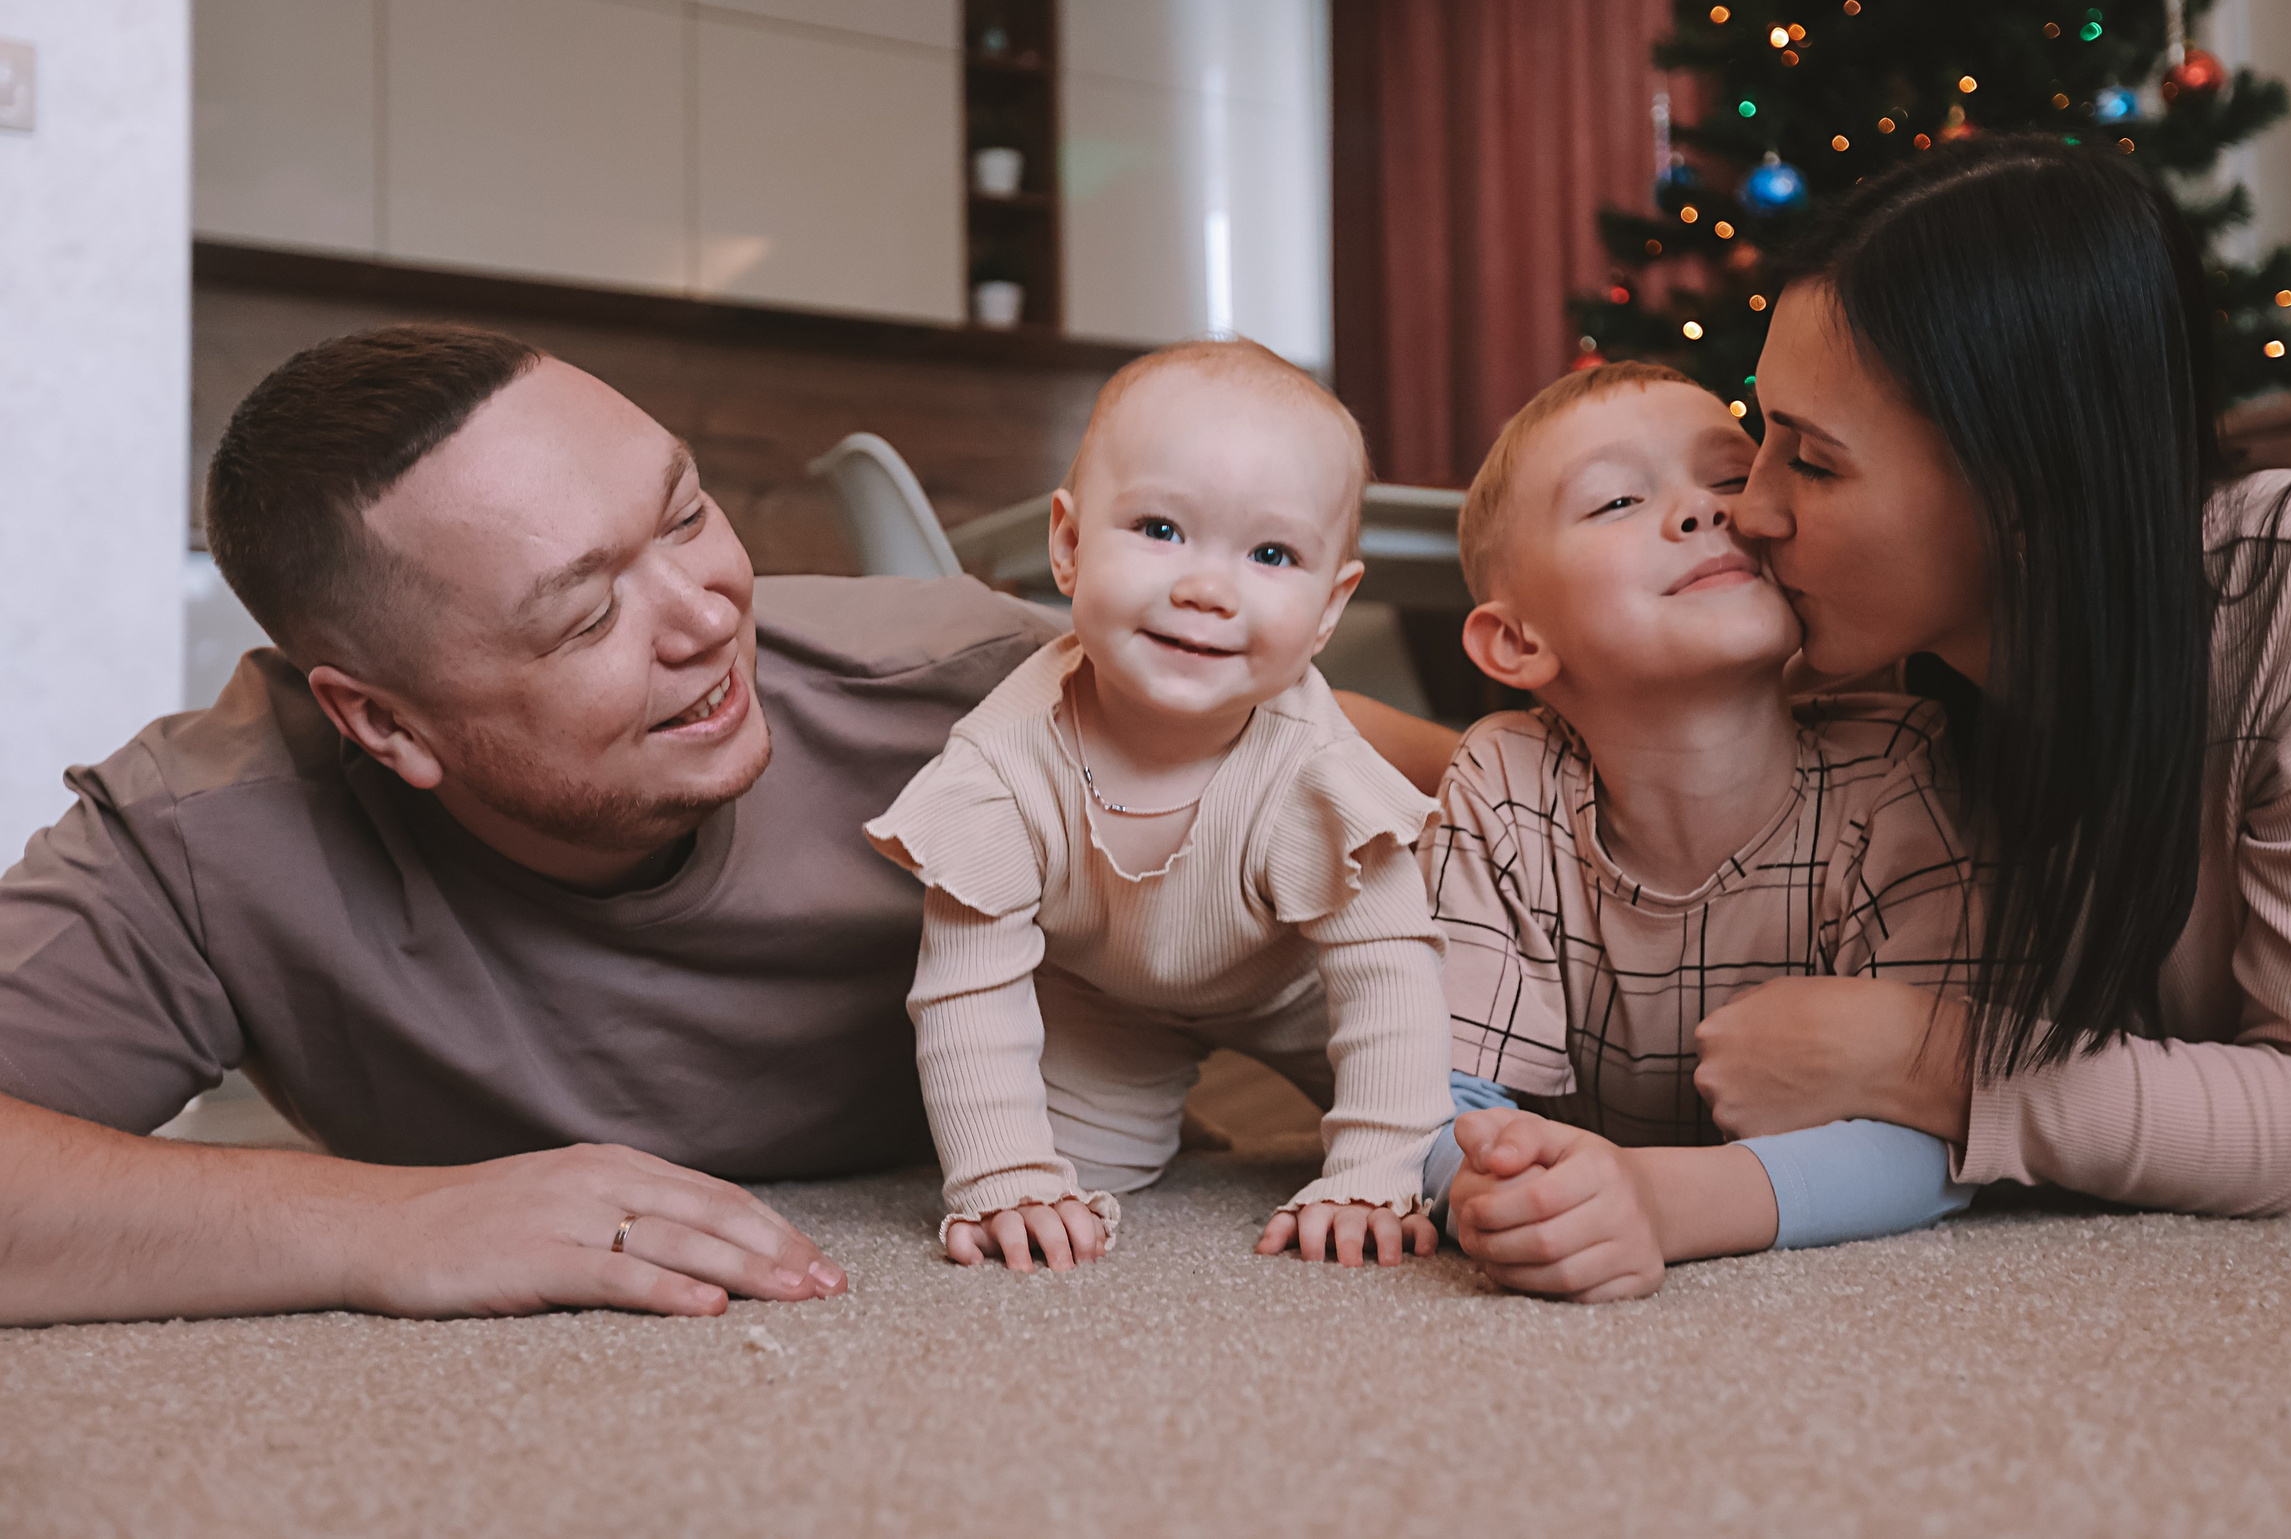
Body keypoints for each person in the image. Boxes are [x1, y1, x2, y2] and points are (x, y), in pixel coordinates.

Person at [1452, 134, 2291, 1223]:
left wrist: (1931, 1061)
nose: (1751, 509)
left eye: (1814, 460)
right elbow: (1603, 769)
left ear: (2020, 484)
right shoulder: (1866, 630)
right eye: (1762, 439)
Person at [0, 325, 1070, 1325]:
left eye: (686, 514)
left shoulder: (981, 691)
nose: (708, 617)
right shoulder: (203, 833)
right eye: (589, 614)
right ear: (385, 722)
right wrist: (385, 1221)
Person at [867, 341, 1451, 1274]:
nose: (1205, 589)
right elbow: (967, 988)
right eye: (1160, 530)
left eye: (1270, 553)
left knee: (1445, 1129)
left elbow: (1385, 974)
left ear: (1330, 606)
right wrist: (1006, 1175)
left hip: (1302, 981)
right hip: (1111, 996)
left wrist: (1373, 1170)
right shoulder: (1001, 761)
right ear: (1068, 545)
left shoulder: (1315, 762)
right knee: (1057, 1184)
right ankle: (1163, 1114)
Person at [1416, 362, 1978, 1303]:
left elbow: (1944, 1136)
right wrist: (1491, 1190)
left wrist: (1666, 1201)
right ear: (1515, 643)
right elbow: (1440, 1096)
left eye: (1730, 479)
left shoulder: (1901, 774)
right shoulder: (1504, 783)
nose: (1702, 512)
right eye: (1618, 499)